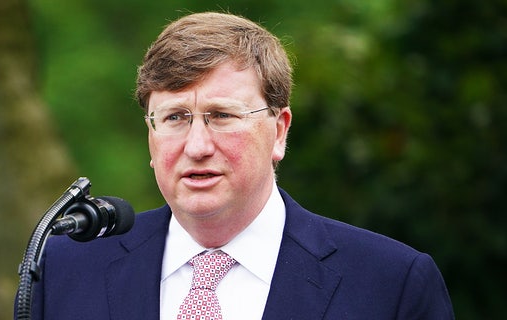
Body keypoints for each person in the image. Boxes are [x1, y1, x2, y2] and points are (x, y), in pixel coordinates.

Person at [27, 11, 454, 319]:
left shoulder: (390, 283)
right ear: (150, 138)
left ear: (279, 131)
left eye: (222, 116)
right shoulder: (67, 269)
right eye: (175, 118)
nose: (196, 146)